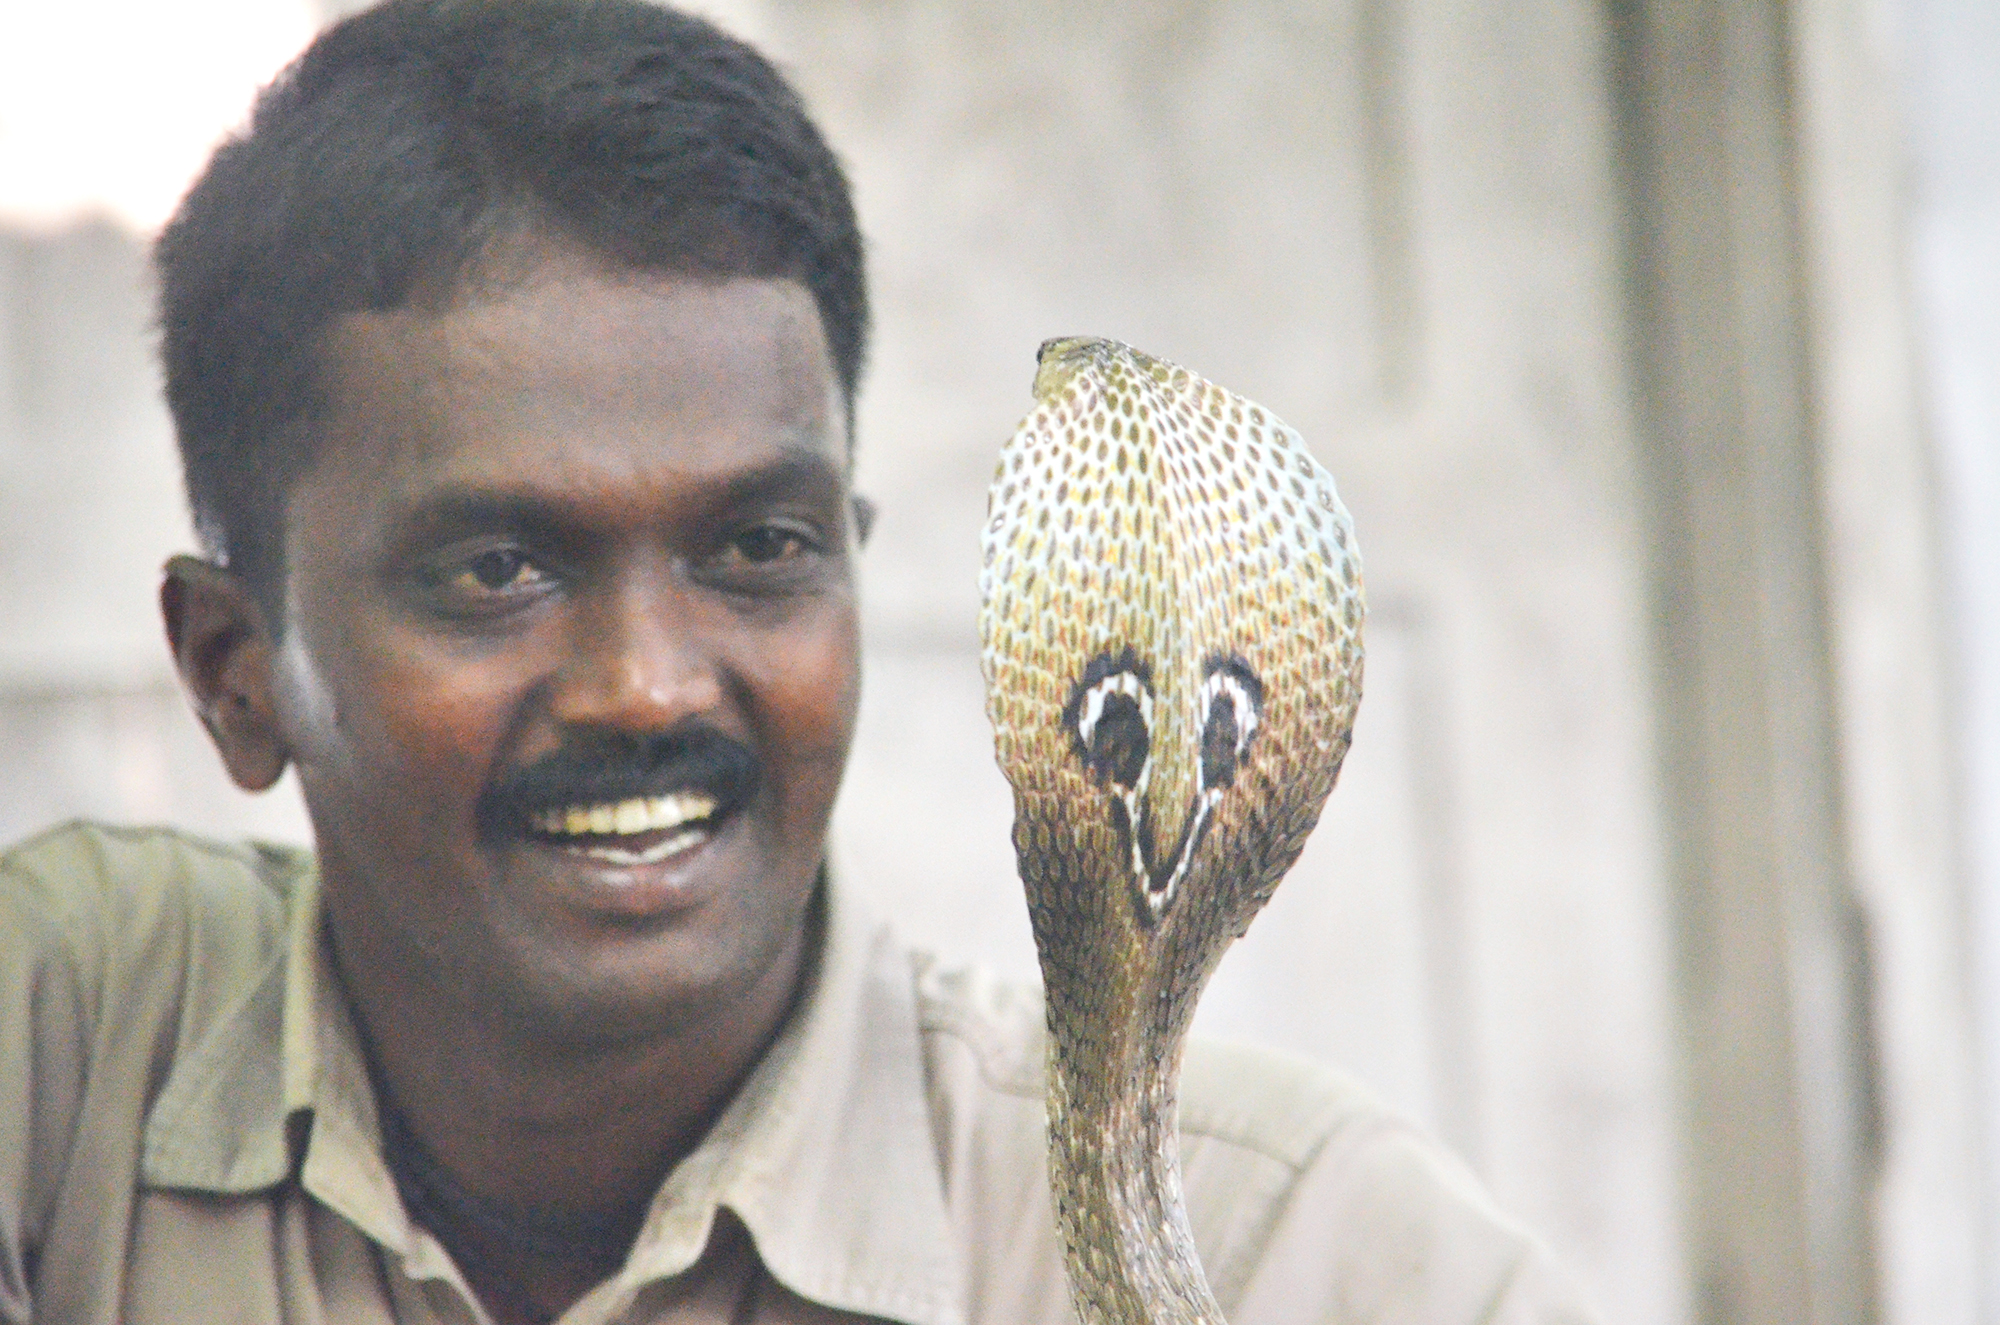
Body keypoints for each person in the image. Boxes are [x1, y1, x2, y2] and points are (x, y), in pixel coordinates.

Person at [0, 3, 1601, 1323]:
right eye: (497, 570)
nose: (649, 685)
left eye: (757, 548)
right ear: (232, 670)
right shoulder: (74, 1056)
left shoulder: (1256, 1249)